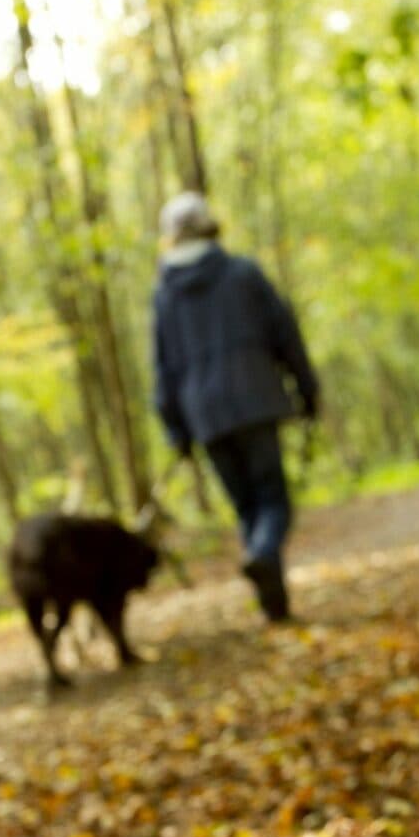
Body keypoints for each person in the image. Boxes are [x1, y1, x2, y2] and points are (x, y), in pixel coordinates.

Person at [151, 192, 320, 623]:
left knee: (248, 507)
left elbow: (163, 371)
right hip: (255, 400)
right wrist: (307, 390)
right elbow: (286, 334)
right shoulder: (242, 274)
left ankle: (273, 605)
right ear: (210, 227)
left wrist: (176, 430)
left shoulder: (166, 296)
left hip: (205, 416)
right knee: (271, 500)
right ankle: (263, 558)